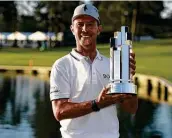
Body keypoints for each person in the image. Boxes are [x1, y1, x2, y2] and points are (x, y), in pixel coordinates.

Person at [50, 3, 138, 138]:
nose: (85, 29)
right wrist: (97, 104)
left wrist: (128, 79)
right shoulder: (61, 65)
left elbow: (131, 108)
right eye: (80, 24)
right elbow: (60, 111)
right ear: (72, 29)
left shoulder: (112, 64)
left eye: (90, 24)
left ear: (98, 29)